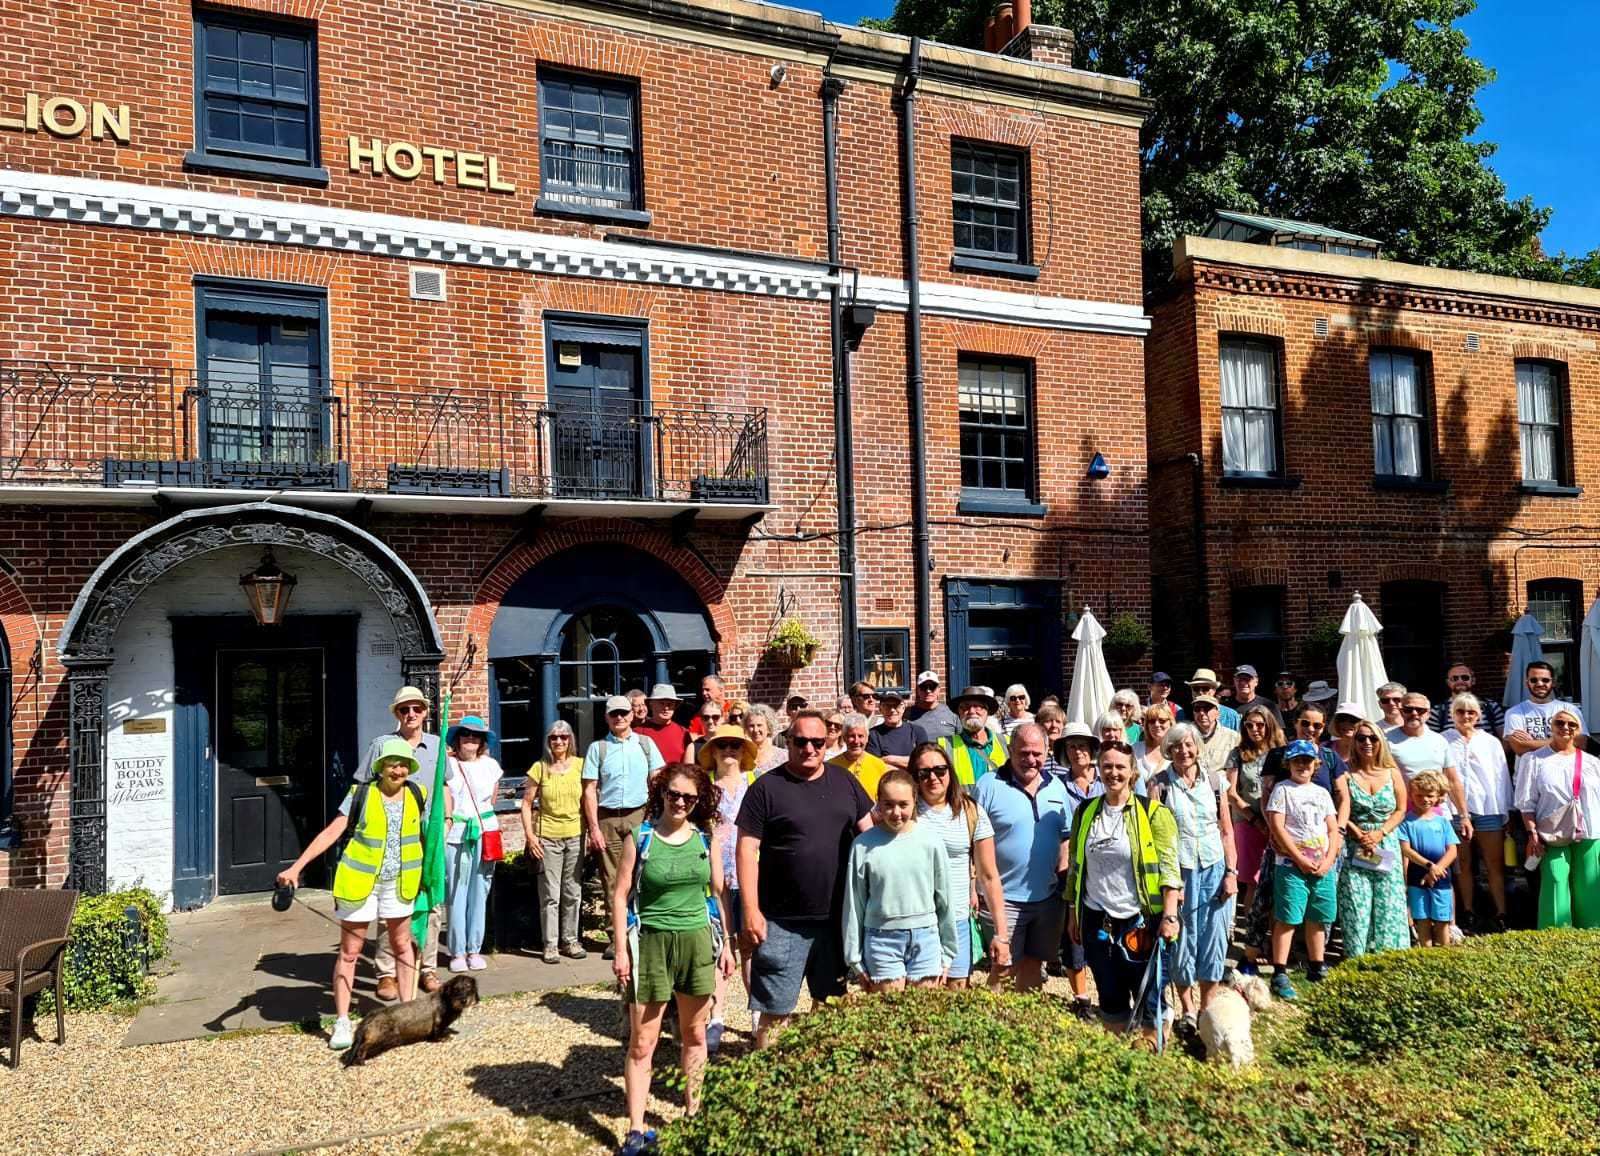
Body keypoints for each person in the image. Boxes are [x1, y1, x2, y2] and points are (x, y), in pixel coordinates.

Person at [612, 763, 735, 1155]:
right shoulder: (641, 837)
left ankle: (693, 1113)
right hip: (650, 943)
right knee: (642, 1042)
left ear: (699, 801)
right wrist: (619, 950)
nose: (680, 802)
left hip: (697, 942)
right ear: (661, 793)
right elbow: (619, 896)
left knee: (695, 1034)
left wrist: (728, 946)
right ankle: (636, 1127)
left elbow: (718, 894)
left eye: (689, 797)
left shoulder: (705, 840)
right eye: (674, 794)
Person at [277, 737, 426, 1050]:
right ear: (380, 767)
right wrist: (297, 867)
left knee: (402, 946)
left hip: (401, 884)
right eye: (391, 763)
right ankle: (343, 1022)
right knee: (349, 952)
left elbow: (432, 833)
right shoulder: (360, 794)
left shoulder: (418, 794)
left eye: (402, 764)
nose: (397, 769)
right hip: (361, 884)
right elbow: (333, 830)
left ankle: (406, 1015)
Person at [737, 710, 874, 1048]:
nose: (810, 748)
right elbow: (745, 850)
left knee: (831, 1005)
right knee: (774, 1010)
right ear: (788, 741)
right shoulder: (766, 788)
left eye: (818, 741)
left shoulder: (846, 783)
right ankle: (765, 1083)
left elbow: (870, 840)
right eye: (801, 741)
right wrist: (751, 910)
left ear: (829, 742)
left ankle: (823, 1084)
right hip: (781, 919)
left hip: (836, 918)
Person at [1064, 740, 1182, 1043]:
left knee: (1150, 1001)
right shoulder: (1085, 812)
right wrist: (1072, 915)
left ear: (1132, 772)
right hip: (1096, 921)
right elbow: (1077, 868)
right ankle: (1118, 1062)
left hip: (1141, 922)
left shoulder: (1154, 813)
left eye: (1120, 767)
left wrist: (1170, 916)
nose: (1113, 772)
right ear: (1097, 769)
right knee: (1111, 1000)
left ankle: (1151, 1065)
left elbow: (1170, 870)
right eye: (1107, 766)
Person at [970, 724, 1073, 992]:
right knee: (1003, 966)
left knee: (1033, 964)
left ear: (1047, 751)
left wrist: (1062, 879)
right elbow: (971, 841)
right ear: (1011, 750)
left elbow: (1066, 836)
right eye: (1024, 753)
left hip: (1047, 897)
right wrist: (973, 885)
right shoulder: (988, 786)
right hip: (1004, 899)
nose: (1031, 760)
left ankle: (1024, 1021)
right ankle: (990, 1023)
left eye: (1037, 753)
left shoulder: (1057, 787)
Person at [356, 685, 443, 1000]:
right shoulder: (383, 745)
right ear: (397, 714)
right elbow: (362, 786)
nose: (411, 715)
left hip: (427, 836)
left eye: (416, 709)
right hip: (392, 836)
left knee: (431, 903)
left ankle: (428, 967)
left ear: (424, 712)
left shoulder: (436, 744)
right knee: (390, 904)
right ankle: (387, 973)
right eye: (404, 709)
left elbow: (444, 787)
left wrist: (444, 822)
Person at [1148, 722, 1237, 1028]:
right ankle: (1187, 1009)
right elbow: (1156, 838)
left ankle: (1207, 1007)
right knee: (1183, 939)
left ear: (1198, 747)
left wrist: (1232, 872)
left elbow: (1226, 831)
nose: (1183, 752)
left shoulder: (1215, 782)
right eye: (1176, 747)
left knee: (1213, 938)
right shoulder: (1159, 784)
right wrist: (1170, 884)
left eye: (1188, 745)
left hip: (1214, 866)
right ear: (1168, 750)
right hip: (1181, 870)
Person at [843, 769, 958, 991]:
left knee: (924, 1017)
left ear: (915, 801)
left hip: (926, 937)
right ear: (878, 802)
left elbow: (944, 899)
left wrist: (947, 952)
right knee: (888, 1017)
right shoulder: (863, 845)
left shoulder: (930, 842)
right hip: (881, 940)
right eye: (888, 804)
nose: (896, 813)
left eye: (903, 805)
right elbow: (854, 904)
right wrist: (854, 958)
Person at [910, 743, 1011, 989]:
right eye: (923, 773)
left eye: (939, 770)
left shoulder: (970, 811)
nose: (933, 777)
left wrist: (1001, 934)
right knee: (921, 1001)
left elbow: (989, 875)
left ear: (950, 772)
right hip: (915, 921)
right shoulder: (904, 809)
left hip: (955, 919)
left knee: (957, 994)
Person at [584, 694, 667, 961]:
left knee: (643, 875)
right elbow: (589, 791)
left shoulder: (646, 744)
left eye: (623, 713)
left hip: (639, 816)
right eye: (614, 714)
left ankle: (642, 931)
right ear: (606, 717)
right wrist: (594, 828)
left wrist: (657, 818)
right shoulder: (598, 748)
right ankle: (615, 935)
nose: (619, 718)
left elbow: (657, 780)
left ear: (632, 715)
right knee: (611, 878)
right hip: (608, 818)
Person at [1265, 739, 1343, 1000]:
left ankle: (1316, 965)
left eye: (1307, 761)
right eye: (1297, 761)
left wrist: (1330, 859)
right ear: (1288, 763)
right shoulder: (1282, 790)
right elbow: (1277, 825)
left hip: (1322, 866)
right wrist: (1297, 857)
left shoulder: (1321, 793)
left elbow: (1332, 828)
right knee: (1288, 918)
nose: (1302, 765)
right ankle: (1279, 970)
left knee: (1317, 917)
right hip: (1291, 865)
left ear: (1315, 765)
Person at [1515, 704, 1600, 929]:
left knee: (1589, 886)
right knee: (1555, 878)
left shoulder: (1593, 762)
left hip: (1591, 831)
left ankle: (1591, 932)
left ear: (1579, 730)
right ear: (1550, 726)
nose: (1565, 727)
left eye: (1572, 724)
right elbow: (1526, 803)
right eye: (1559, 723)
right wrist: (1532, 833)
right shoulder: (1533, 760)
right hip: (1552, 833)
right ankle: (1555, 935)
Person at [699, 724, 755, 1051]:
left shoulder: (754, 783)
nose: (729, 751)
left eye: (735, 745)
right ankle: (716, 1016)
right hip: (713, 874)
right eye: (723, 746)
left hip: (748, 872)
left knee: (749, 946)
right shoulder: (704, 787)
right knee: (718, 946)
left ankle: (756, 1012)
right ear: (714, 752)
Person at [1336, 720, 1409, 957]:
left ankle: (1389, 957)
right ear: (1354, 742)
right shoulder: (1345, 773)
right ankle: (1357, 957)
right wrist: (1358, 833)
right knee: (1357, 902)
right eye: (1361, 738)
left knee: (1388, 902)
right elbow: (1337, 809)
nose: (1367, 743)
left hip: (1384, 842)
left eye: (1373, 738)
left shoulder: (1392, 773)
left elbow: (1401, 809)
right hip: (1354, 844)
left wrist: (1379, 833)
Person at [1443, 693, 1512, 934]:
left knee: (1494, 863)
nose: (1466, 716)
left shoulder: (1490, 742)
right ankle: (1469, 912)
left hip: (1488, 807)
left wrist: (1506, 811)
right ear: (1453, 715)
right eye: (1460, 711)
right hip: (1454, 811)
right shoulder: (1443, 740)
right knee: (1463, 863)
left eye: (1471, 712)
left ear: (1479, 715)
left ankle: (1501, 912)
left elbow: (1502, 776)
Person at [521, 720, 586, 964]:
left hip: (576, 835)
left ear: (571, 740)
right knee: (550, 895)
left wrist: (591, 832)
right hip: (548, 837)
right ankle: (550, 944)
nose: (559, 742)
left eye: (563, 737)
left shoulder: (581, 766)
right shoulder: (540, 768)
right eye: (554, 738)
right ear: (548, 742)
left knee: (573, 891)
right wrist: (530, 836)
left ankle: (570, 940)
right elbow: (526, 804)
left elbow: (590, 800)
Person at [443, 716, 503, 973]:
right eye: (465, 734)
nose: (470, 739)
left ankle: (474, 948)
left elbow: (492, 798)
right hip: (456, 833)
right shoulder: (448, 765)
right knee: (456, 891)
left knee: (481, 890)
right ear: (457, 739)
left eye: (475, 736)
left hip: (484, 832)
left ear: (482, 742)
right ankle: (456, 950)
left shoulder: (491, 766)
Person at [1052, 721, 1102, 1010]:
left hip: (1107, 869)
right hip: (1071, 868)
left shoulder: (1107, 778)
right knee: (1072, 935)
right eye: (1071, 746)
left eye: (1082, 745)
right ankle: (1081, 997)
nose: (1077, 751)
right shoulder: (1057, 786)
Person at [1225, 705, 1282, 908]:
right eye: (1249, 725)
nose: (1254, 729)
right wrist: (1255, 820)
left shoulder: (1280, 752)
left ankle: (1273, 931)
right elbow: (1231, 792)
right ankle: (1252, 931)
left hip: (1278, 822)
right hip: (1248, 821)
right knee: (1252, 881)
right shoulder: (1237, 754)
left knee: (1278, 880)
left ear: (1269, 725)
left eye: (1260, 725)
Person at [1389, 693, 1469, 835]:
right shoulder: (1386, 740)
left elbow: (1452, 780)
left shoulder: (1439, 740)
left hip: (1438, 813)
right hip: (1402, 815)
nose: (1414, 713)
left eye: (1420, 710)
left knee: (1445, 856)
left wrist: (1464, 816)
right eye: (1408, 709)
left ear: (1428, 714)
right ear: (1401, 711)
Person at [1399, 771, 1460, 947]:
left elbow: (1452, 850)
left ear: (1438, 797)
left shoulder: (1442, 822)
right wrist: (1429, 866)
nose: (1425, 799)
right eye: (1419, 795)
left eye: (1430, 796)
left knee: (1442, 921)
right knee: (1422, 920)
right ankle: (1425, 955)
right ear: (1411, 795)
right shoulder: (1406, 822)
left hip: (1441, 878)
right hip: (1416, 877)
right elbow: (1406, 849)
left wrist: (1438, 868)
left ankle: (1444, 956)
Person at [1505, 661, 1584, 756]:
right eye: (1534, 680)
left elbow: (1581, 743)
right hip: (1530, 770)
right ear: (1527, 683)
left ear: (1553, 682)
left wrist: (1531, 743)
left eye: (1545, 680)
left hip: (1566, 769)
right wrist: (1563, 739)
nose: (1539, 684)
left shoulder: (1570, 709)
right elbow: (1520, 748)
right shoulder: (1514, 712)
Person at [939, 686, 1008, 786]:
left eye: (978, 706)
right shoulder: (944, 745)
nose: (971, 711)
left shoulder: (1007, 743)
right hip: (963, 801)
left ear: (987, 712)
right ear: (959, 712)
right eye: (965, 707)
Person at [1429, 664, 1505, 736]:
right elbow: (1433, 744)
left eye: (1465, 677)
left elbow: (1505, 740)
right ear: (1448, 683)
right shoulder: (1437, 711)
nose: (1460, 681)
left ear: (1473, 681)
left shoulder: (1491, 706)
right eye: (1454, 678)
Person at [829, 713, 890, 800]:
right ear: (844, 738)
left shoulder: (879, 766)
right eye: (851, 736)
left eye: (861, 736)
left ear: (867, 738)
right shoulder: (832, 766)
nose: (856, 741)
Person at [866, 689, 927, 769]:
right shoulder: (873, 734)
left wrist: (889, 759)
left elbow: (924, 761)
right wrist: (910, 763)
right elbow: (875, 766)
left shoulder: (917, 732)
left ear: (903, 708)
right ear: (880, 709)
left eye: (896, 705)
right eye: (887, 706)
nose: (892, 710)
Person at [1188, 693, 1240, 781]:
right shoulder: (1184, 734)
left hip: (1221, 789)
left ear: (1218, 713)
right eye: (1197, 709)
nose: (1201, 713)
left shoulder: (1233, 737)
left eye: (1207, 708)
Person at [637, 683, 692, 764]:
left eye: (670, 704)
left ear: (675, 706)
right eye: (661, 703)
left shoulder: (684, 733)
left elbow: (688, 769)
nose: (666, 708)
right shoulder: (637, 733)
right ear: (651, 704)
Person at [905, 670, 960, 741]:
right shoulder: (906, 715)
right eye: (923, 687)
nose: (928, 691)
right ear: (918, 690)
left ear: (939, 690)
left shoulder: (951, 714)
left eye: (932, 686)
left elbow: (962, 743)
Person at [1133, 704, 1174, 786]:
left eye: (1162, 720)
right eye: (1152, 721)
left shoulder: (1177, 750)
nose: (1157, 724)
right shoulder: (1135, 749)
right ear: (1147, 725)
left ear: (1171, 723)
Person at [743, 703, 786, 775]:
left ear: (769, 728)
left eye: (759, 725)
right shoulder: (741, 756)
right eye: (751, 726)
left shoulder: (783, 757)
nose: (755, 730)